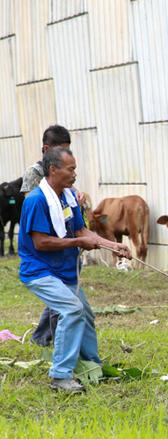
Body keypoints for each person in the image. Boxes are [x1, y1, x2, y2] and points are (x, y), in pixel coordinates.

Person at [18, 147, 130, 393]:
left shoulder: (67, 196)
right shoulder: (36, 201)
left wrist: (112, 245)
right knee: (72, 309)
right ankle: (60, 376)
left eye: (75, 169)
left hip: (64, 271)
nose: (75, 174)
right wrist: (79, 243)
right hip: (40, 272)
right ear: (53, 169)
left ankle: (93, 365)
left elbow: (81, 231)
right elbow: (41, 243)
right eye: (71, 169)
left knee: (85, 314)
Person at [21, 125, 87, 346]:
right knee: (65, 303)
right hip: (46, 246)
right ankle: (49, 342)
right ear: (47, 149)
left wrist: (77, 198)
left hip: (65, 246)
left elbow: (66, 197)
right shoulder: (35, 176)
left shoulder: (64, 173)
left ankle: (50, 339)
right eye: (60, 150)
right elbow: (34, 206)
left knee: (67, 300)